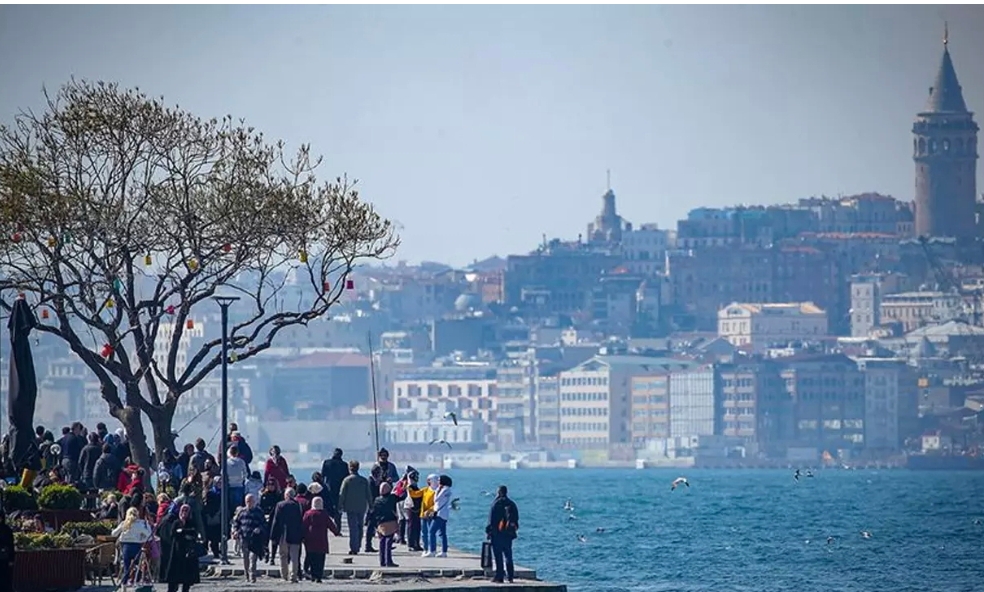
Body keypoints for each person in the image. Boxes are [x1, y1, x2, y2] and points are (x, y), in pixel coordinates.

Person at [162, 504, 200, 592]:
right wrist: (183, 533)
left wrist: (182, 531)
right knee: (174, 575)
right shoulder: (176, 522)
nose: (184, 513)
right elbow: (172, 534)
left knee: (187, 577)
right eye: (183, 511)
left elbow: (194, 532)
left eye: (186, 511)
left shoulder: (191, 522)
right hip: (177, 551)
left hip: (188, 552)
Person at [302, 496, 340, 583]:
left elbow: (304, 526)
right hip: (322, 540)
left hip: (310, 540)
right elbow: (331, 525)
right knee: (320, 559)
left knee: (312, 558)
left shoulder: (308, 514)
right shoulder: (324, 514)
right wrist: (336, 532)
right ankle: (318, 576)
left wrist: (302, 537)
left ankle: (313, 575)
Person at [486, 485, 519, 584]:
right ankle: (510, 576)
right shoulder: (511, 503)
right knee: (508, 555)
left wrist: (489, 532)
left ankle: (499, 576)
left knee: (498, 555)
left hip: (497, 534)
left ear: (499, 492)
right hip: (508, 534)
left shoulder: (496, 503)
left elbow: (491, 520)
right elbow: (516, 519)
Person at [270, 488, 303, 583]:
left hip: (283, 533)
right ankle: (293, 576)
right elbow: (300, 520)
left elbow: (276, 521)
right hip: (295, 533)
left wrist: (273, 536)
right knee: (294, 556)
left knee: (283, 555)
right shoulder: (298, 505)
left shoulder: (280, 505)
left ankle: (284, 575)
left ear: (286, 495)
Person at [338, 460, 371, 556]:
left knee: (353, 528)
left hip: (350, 507)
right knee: (360, 526)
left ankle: (354, 547)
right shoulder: (363, 480)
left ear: (349, 468)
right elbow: (368, 494)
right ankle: (358, 544)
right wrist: (371, 505)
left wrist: (340, 506)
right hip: (361, 506)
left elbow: (342, 494)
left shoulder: (347, 480)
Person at [113, 507, 154, 586]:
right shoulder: (140, 525)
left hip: (125, 547)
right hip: (136, 546)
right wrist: (142, 538)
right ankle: (137, 579)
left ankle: (124, 582)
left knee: (126, 566)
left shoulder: (124, 524)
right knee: (138, 564)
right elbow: (149, 536)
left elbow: (114, 533)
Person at [372, 480, 407, 568]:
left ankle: (382, 561)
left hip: (380, 523)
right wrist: (404, 487)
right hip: (390, 521)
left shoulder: (377, 500)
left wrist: (375, 524)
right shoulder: (392, 498)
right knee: (388, 541)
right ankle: (388, 561)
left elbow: (374, 513)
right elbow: (403, 497)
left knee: (382, 541)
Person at [234, 494, 267, 583]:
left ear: (254, 502)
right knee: (246, 557)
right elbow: (236, 523)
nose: (249, 503)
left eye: (251, 501)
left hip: (254, 539)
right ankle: (246, 575)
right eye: (247, 501)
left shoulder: (259, 512)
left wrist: (259, 529)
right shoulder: (241, 512)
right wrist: (236, 531)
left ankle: (253, 575)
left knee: (253, 558)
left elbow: (264, 523)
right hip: (244, 538)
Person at [428, 474, 453, 558]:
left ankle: (432, 550)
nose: (438, 482)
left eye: (439, 480)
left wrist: (438, 489)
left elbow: (436, 499)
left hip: (441, 513)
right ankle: (444, 551)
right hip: (440, 513)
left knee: (432, 531)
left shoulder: (446, 490)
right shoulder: (441, 489)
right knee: (442, 533)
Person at [321, 448, 347, 525]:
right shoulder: (344, 465)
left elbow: (322, 476)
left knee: (328, 507)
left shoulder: (327, 463)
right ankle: (337, 526)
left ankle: (329, 523)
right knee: (338, 509)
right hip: (340, 489)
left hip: (329, 489)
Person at [419, 474, 438, 557]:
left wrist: (430, 510)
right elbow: (415, 494)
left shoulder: (437, 491)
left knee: (431, 532)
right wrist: (409, 486)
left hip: (431, 515)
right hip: (423, 514)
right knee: (424, 533)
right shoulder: (426, 489)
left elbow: (437, 504)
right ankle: (425, 549)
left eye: (430, 480)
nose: (428, 481)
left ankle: (432, 549)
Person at [225, 445, 248, 511]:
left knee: (230, 506)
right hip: (239, 485)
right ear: (237, 453)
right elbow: (245, 473)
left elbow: (222, 473)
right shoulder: (241, 462)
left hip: (229, 486)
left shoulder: (226, 462)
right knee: (238, 506)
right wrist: (241, 480)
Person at [0, 509, 14, 592]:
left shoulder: (6, 530)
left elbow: (11, 545)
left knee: (5, 577)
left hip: (4, 558)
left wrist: (11, 559)